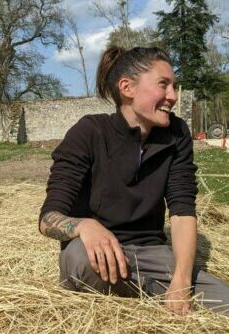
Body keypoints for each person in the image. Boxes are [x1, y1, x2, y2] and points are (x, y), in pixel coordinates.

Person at [39, 46, 229, 315]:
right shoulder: (89, 133)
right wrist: (84, 226)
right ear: (127, 88)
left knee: (224, 300)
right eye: (163, 85)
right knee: (79, 262)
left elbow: (182, 209)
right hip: (95, 256)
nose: (172, 96)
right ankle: (148, 292)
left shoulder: (176, 134)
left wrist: (181, 281)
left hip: (152, 254)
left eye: (174, 86)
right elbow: (47, 219)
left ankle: (145, 289)